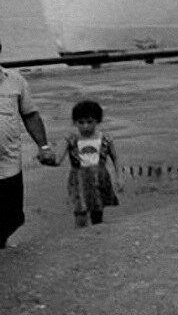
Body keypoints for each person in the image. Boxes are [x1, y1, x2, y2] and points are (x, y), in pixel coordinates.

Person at [0, 34, 57, 248]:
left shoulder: (15, 81)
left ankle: (2, 244)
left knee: (12, 216)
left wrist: (44, 146)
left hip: (9, 164)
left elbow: (30, 115)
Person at [50, 99, 122, 228]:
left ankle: (96, 238)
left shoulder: (105, 139)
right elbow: (58, 160)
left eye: (90, 122)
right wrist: (46, 158)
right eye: (80, 122)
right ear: (75, 122)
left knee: (98, 211)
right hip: (79, 180)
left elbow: (115, 158)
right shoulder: (70, 139)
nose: (85, 126)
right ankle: (80, 239)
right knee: (80, 212)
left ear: (97, 121)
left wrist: (119, 178)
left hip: (99, 179)